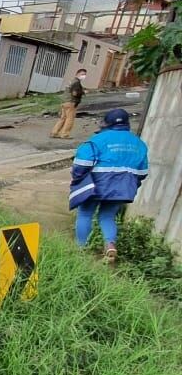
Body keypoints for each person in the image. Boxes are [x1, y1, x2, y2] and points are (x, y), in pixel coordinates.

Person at [68, 108, 149, 263]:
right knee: (107, 216)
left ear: (106, 123)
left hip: (95, 186)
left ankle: (80, 249)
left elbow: (81, 164)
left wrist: (78, 178)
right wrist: (131, 184)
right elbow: (143, 172)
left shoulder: (97, 140)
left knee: (85, 214)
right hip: (123, 189)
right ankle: (110, 244)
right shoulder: (139, 144)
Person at [51, 69, 87, 139]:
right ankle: (65, 134)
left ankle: (54, 133)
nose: (84, 76)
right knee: (70, 119)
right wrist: (83, 92)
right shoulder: (76, 83)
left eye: (85, 74)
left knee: (63, 118)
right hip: (71, 102)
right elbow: (75, 93)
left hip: (64, 102)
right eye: (82, 74)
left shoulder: (72, 81)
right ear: (77, 74)